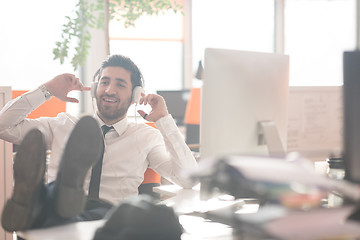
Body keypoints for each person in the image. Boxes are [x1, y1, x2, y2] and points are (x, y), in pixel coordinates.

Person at [0, 54, 198, 232]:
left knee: (78, 212)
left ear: (135, 96)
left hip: (108, 222)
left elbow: (188, 179)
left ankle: (37, 203)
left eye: (120, 84)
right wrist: (47, 90)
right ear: (95, 88)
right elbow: (3, 127)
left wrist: (164, 119)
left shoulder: (146, 136)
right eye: (104, 82)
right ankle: (50, 197)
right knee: (59, 206)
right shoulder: (64, 124)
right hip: (61, 224)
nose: (109, 90)